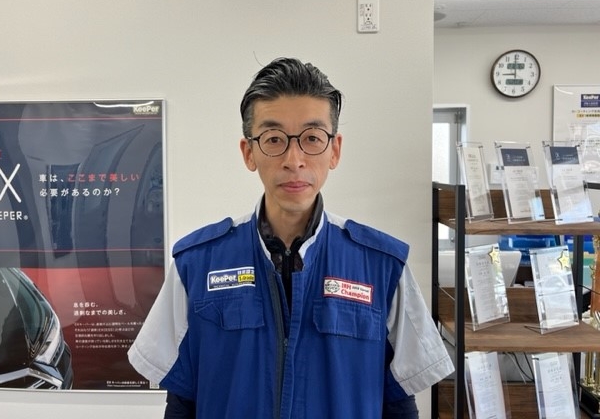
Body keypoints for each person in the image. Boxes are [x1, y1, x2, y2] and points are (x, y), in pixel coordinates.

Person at [128, 57, 454, 418]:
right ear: (249, 152)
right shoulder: (196, 264)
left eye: (312, 138)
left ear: (335, 150)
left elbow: (399, 402)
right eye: (274, 139)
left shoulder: (383, 267)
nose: (294, 160)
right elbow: (181, 401)